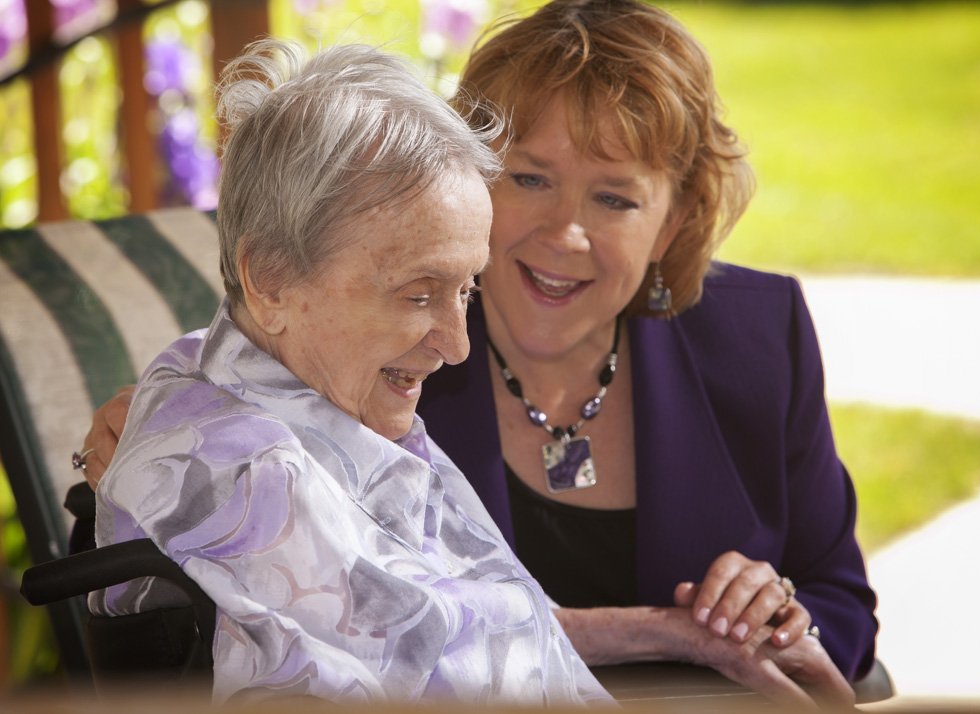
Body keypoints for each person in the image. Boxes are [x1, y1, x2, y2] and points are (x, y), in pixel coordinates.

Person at [79, 0, 873, 706]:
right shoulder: (372, 361)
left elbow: (840, 598)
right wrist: (150, 411)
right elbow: (249, 365)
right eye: (529, 179)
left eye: (614, 197)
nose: (564, 233)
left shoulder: (757, 338)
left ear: (670, 222)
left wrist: (775, 618)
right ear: (463, 178)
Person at [86, 38, 612, 706]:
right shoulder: (259, 482)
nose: (457, 346)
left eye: (466, 291)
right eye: (418, 294)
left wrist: (680, 634)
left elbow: (491, 630)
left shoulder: (233, 371)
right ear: (271, 280)